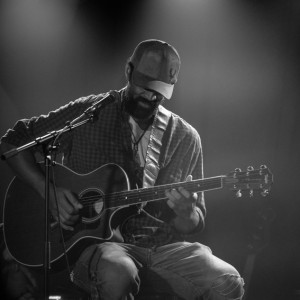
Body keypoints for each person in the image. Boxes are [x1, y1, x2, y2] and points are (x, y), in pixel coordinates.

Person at [0, 39, 244, 300]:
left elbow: (193, 223)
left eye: (159, 90)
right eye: (145, 84)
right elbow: (12, 142)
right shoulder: (88, 114)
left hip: (163, 248)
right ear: (128, 70)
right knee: (119, 272)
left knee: (228, 281)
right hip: (103, 249)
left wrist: (186, 212)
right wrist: (48, 192)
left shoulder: (185, 137)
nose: (150, 96)